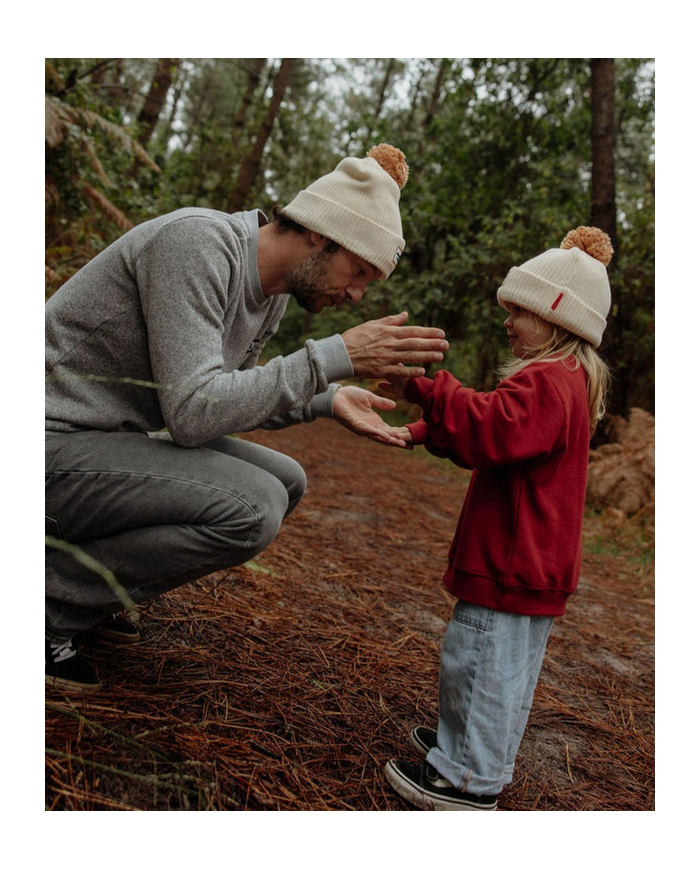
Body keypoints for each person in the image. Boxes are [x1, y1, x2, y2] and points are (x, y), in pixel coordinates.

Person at [45, 143, 449, 694]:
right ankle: (49, 605)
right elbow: (192, 413)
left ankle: (91, 588)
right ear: (317, 233)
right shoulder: (197, 244)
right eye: (358, 271)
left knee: (287, 481)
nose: (356, 295)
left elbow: (230, 398)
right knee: (252, 508)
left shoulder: (272, 292)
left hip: (91, 442)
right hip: (47, 436)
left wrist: (328, 398)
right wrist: (331, 356)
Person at [380, 227, 613, 810]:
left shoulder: (547, 382)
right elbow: (493, 433)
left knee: (479, 665)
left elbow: (487, 428)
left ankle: (467, 777)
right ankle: (470, 749)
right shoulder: (567, 383)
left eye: (521, 311)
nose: (508, 321)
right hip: (533, 563)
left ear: (559, 318)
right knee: (500, 673)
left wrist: (424, 390)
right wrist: (419, 430)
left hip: (512, 562)